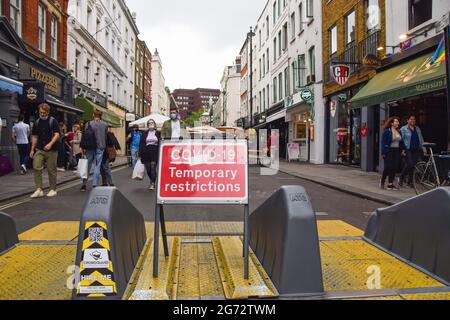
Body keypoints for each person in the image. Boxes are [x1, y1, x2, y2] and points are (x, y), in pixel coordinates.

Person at [29, 103, 61, 198]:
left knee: (51, 170)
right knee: (36, 166)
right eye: (40, 112)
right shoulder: (37, 122)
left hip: (52, 150)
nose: (42, 114)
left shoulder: (53, 121)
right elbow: (34, 136)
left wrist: (50, 144)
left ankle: (53, 189)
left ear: (47, 112)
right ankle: (39, 189)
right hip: (39, 149)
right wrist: (32, 150)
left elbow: (57, 134)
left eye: (43, 112)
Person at [80, 110, 108, 192]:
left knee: (87, 166)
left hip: (89, 147)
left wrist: (83, 148)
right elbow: (105, 137)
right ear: (100, 115)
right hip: (100, 147)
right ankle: (94, 184)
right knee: (97, 165)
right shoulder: (105, 124)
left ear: (93, 115)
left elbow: (85, 136)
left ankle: (84, 184)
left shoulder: (88, 124)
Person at [399, 115, 426, 187]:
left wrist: (424, 149)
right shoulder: (403, 129)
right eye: (411, 119)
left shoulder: (417, 129)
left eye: (414, 119)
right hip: (407, 149)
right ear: (407, 120)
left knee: (413, 166)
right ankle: (402, 177)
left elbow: (421, 139)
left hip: (416, 150)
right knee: (410, 164)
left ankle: (410, 182)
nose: (412, 121)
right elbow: (401, 140)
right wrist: (402, 150)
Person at [380, 117, 404, 191]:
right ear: (392, 123)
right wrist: (384, 152)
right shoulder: (387, 131)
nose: (398, 123)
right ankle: (382, 181)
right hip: (389, 150)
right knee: (388, 166)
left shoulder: (399, 131)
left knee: (394, 167)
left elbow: (401, 142)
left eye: (398, 122)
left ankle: (390, 184)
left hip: (396, 151)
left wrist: (403, 150)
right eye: (396, 122)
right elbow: (383, 142)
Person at [139, 119, 161, 190]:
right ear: (147, 125)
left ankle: (153, 183)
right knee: (148, 169)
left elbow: (161, 142)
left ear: (154, 124)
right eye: (149, 123)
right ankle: (152, 180)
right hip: (146, 152)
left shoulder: (158, 133)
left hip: (155, 151)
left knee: (153, 167)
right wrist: (140, 154)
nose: (151, 124)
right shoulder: (144, 133)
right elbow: (141, 144)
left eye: (152, 123)